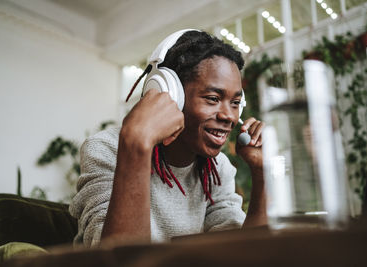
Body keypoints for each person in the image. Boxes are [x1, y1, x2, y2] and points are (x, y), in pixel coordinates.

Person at [69, 30, 267, 247]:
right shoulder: (106, 148)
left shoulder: (218, 168)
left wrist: (262, 174)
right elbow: (113, 259)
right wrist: (136, 143)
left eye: (236, 103)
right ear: (170, 94)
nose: (229, 116)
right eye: (213, 98)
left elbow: (242, 253)